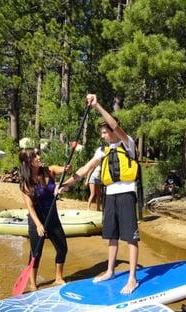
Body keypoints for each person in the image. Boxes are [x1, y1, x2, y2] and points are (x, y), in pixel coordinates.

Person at [59, 94, 140, 294]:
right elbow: (84, 170)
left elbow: (114, 124)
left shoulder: (127, 143)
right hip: (110, 195)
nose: (103, 135)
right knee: (111, 236)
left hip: (126, 193)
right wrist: (65, 185)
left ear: (113, 131)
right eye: (102, 132)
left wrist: (97, 106)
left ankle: (132, 278)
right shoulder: (102, 151)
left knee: (130, 237)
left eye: (105, 132)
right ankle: (111, 270)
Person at [18, 148, 68, 291]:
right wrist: (39, 225)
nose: (39, 157)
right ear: (28, 162)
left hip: (52, 217)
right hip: (36, 220)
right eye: (35, 156)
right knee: (36, 253)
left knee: (62, 248)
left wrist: (67, 169)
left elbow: (63, 170)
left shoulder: (48, 171)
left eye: (38, 154)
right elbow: (30, 208)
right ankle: (32, 283)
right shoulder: (25, 183)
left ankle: (58, 278)